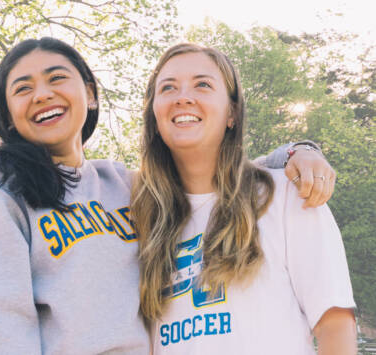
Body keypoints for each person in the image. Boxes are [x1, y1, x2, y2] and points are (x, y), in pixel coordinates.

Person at [0, 37, 335, 355]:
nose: (42, 95)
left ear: (90, 94)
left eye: (56, 78)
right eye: (23, 89)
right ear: (7, 113)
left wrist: (296, 153)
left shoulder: (119, 183)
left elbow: (213, 178)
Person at [131, 43, 356, 354]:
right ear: (154, 117)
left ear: (232, 113)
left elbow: (335, 325)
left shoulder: (288, 195)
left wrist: (301, 149)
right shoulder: (140, 217)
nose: (183, 97)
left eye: (203, 85)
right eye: (168, 87)